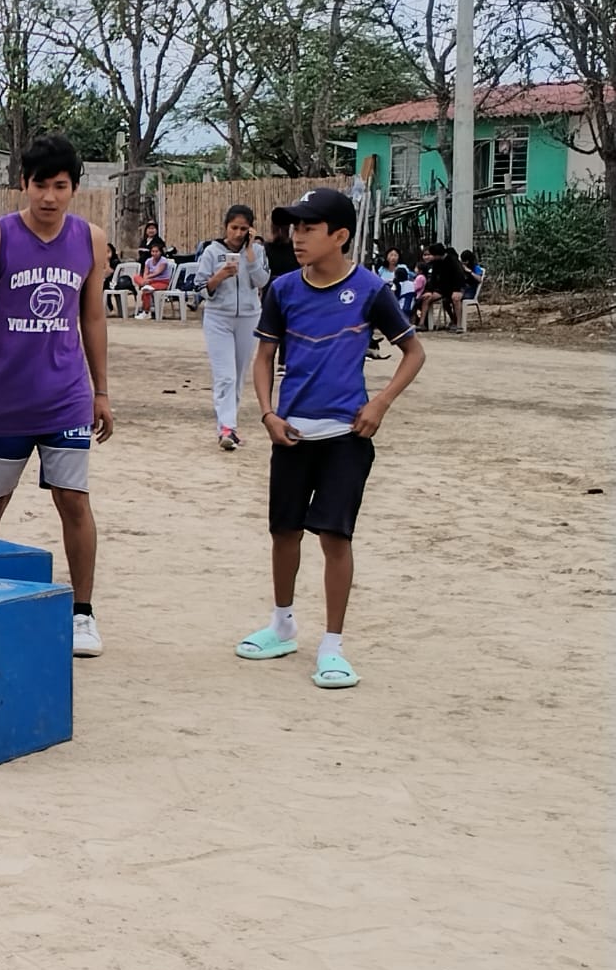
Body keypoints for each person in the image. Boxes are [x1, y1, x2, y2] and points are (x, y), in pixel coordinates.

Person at [239, 187, 425, 689]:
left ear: (340, 235)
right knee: (284, 532)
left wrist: (380, 403)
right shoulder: (282, 290)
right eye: (294, 228)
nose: (297, 237)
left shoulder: (369, 290)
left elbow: (414, 353)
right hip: (291, 434)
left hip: (346, 437)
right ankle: (282, 625)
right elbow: (263, 358)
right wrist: (268, 414)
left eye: (309, 228)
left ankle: (332, 646)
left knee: (335, 537)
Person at [0, 134, 113, 656]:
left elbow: (93, 317)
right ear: (23, 183)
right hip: (2, 401)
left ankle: (83, 612)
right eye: (40, 184)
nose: (49, 196)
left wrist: (101, 392)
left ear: (75, 188)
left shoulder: (90, 240)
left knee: (74, 501)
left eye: (60, 186)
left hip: (65, 398)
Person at [194, 204, 270, 450]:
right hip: (218, 317)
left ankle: (230, 426)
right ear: (226, 227)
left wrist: (250, 254)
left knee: (238, 374)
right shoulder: (211, 251)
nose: (238, 233)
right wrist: (220, 275)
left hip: (249, 316)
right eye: (234, 228)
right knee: (225, 375)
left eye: (243, 229)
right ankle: (225, 427)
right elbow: (200, 288)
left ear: (251, 230)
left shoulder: (257, 251)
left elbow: (262, 281)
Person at [417, 242, 467, 334]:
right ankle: (421, 323)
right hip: (443, 289)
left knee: (455, 298)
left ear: (437, 255)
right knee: (427, 297)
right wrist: (429, 290)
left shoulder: (453, 261)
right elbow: (433, 278)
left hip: (456, 287)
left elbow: (459, 276)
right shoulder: (436, 262)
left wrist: (457, 290)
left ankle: (459, 325)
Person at [131, 241, 172, 317]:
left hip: (161, 281)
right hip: (150, 281)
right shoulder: (148, 261)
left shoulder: (163, 261)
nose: (154, 253)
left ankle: (146, 311)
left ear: (160, 252)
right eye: (153, 251)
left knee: (146, 290)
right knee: (136, 277)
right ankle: (144, 284)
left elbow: (157, 272)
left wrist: (147, 278)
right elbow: (145, 272)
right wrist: (145, 279)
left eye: (156, 251)